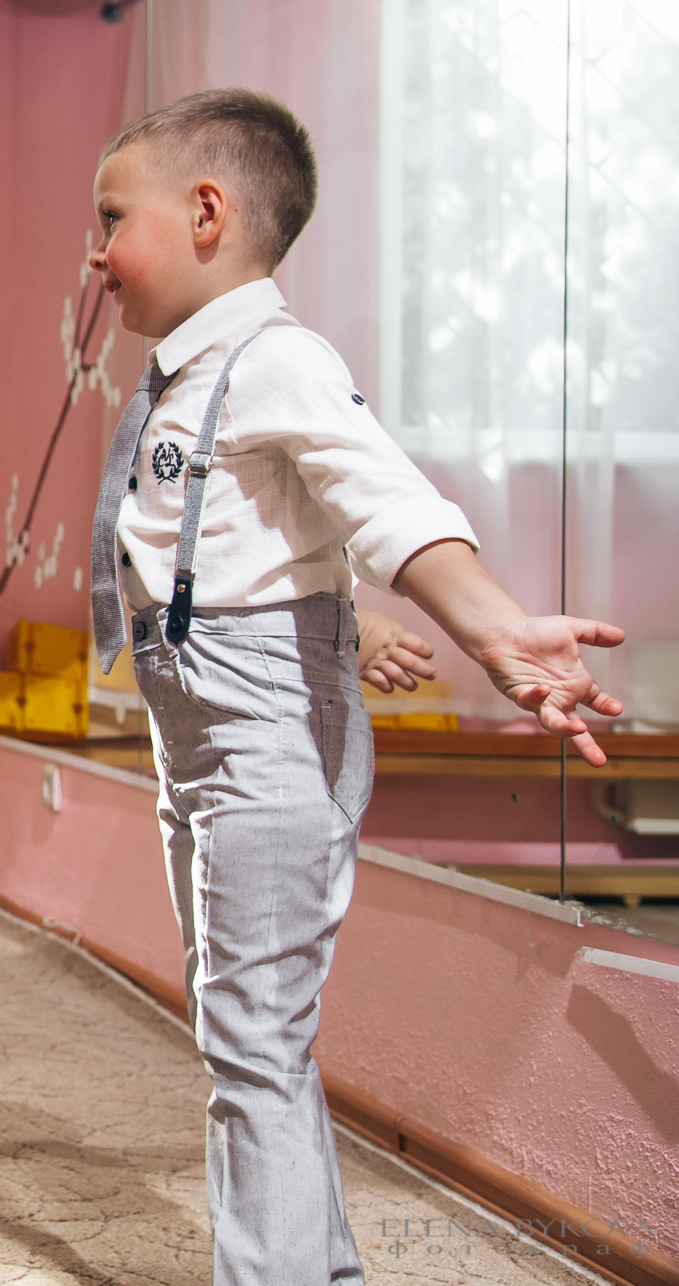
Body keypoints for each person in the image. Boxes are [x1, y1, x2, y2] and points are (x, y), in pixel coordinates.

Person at [87, 87, 624, 1285]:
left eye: (112, 217)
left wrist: (494, 631)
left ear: (207, 213)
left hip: (264, 729)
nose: (97, 250)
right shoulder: (191, 376)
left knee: (251, 1042)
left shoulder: (278, 361)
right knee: (248, 1034)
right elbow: (265, 541)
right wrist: (348, 616)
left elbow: (387, 501)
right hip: (203, 737)